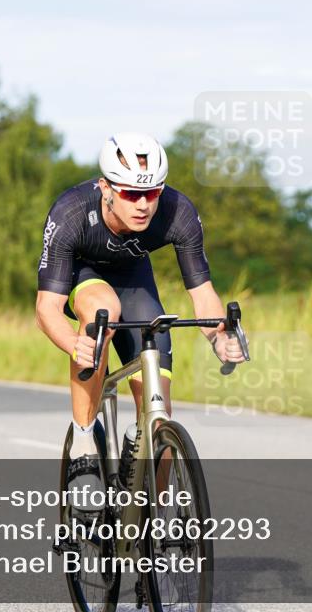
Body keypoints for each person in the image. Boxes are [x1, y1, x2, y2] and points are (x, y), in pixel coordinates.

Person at [35, 133, 246, 509]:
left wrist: (219, 337)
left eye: (152, 192)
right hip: (83, 277)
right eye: (131, 194)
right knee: (103, 310)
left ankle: (149, 507)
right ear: (106, 188)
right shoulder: (71, 212)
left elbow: (202, 292)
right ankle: (84, 445)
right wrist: (73, 343)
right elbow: (46, 308)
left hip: (135, 282)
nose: (144, 204)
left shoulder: (178, 211)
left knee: (158, 412)